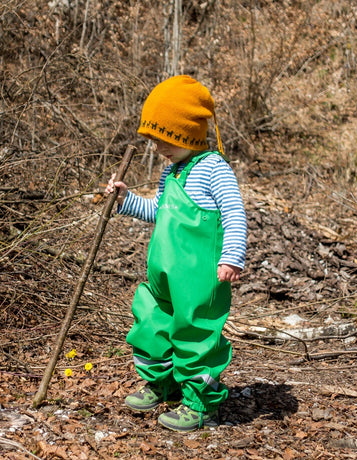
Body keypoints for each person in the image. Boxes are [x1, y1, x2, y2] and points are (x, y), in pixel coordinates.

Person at [106, 75, 247, 432]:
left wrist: (232, 255)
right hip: (164, 278)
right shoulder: (172, 171)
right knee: (153, 326)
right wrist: (126, 200)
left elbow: (234, 213)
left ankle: (200, 403)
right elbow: (157, 211)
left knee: (195, 336)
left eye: (166, 139)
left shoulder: (214, 169)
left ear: (187, 134)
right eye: (154, 140)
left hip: (199, 282)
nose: (158, 148)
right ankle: (162, 383)